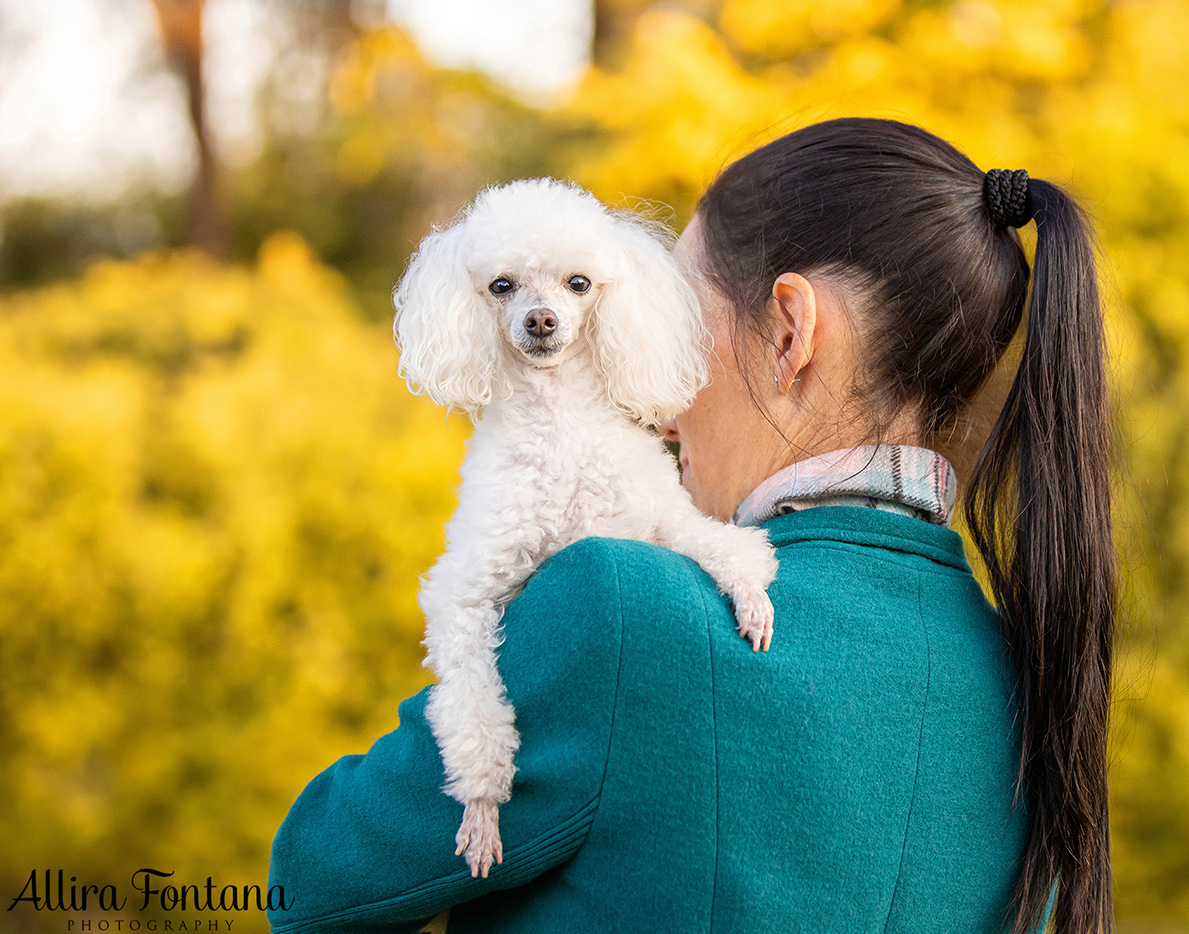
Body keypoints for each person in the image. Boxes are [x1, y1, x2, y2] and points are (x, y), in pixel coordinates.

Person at [267, 117, 1117, 934]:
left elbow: (307, 883)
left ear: (790, 332)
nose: (662, 413)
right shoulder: (1036, 674)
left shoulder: (619, 609)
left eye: (683, 325)